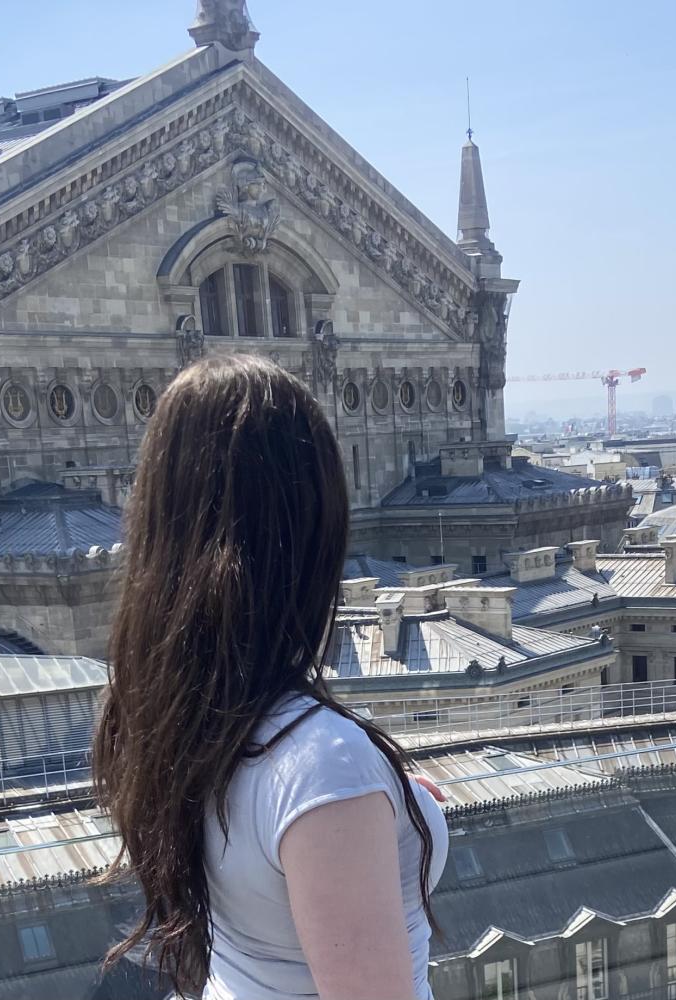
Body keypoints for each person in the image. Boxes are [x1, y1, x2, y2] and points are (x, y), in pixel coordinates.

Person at [93, 355, 449, 1000]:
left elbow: (260, 862)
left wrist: (383, 800)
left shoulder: (157, 714)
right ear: (310, 524)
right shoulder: (321, 762)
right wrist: (343, 784)